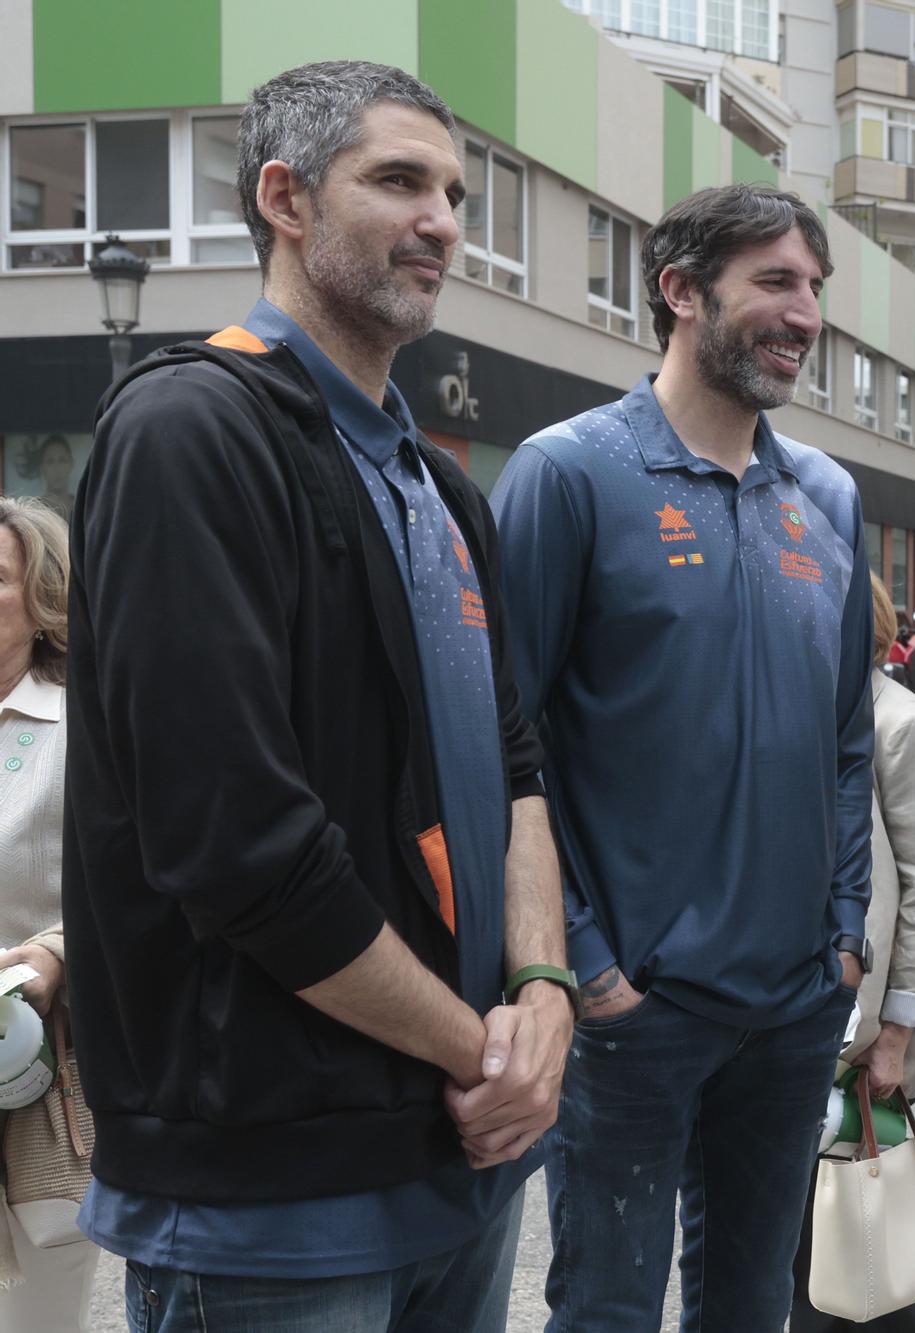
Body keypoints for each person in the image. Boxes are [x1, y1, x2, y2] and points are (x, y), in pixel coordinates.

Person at [65, 62, 569, 1332]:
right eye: (398, 180)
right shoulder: (192, 430)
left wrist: (546, 992)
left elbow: (517, 765)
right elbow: (234, 843)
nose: (444, 219)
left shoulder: (441, 489)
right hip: (272, 1202)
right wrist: (484, 1051)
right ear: (285, 199)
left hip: (460, 1159)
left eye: (453, 191)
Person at [490, 183, 873, 1332]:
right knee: (606, 1307)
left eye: (813, 288)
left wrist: (844, 932)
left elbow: (847, 740)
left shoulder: (828, 496)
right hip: (631, 1013)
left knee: (753, 1304)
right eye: (774, 281)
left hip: (797, 997)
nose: (804, 313)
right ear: (678, 290)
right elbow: (505, 743)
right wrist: (583, 966)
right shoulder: (567, 473)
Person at [790, 573, 915, 1333]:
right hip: (817, 1023)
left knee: (845, 1250)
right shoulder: (826, 719)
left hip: (866, 1038)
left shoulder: (900, 724)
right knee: (837, 1253)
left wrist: (896, 1035)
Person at [0, 498, 98, 1330]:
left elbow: (130, 883)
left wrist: (56, 953)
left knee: (37, 1317)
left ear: (42, 602)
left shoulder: (85, 724)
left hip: (34, 1075)